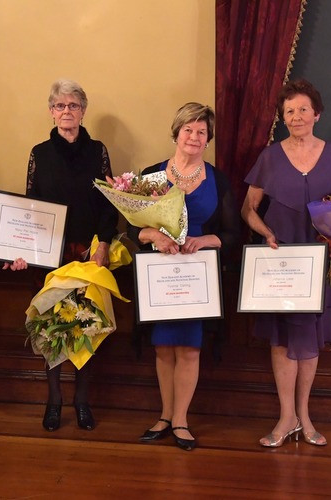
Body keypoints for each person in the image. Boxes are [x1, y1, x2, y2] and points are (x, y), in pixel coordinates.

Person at [241, 79, 331, 447]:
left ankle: (305, 416)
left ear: (317, 114)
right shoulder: (269, 156)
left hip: (320, 265)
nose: (296, 116)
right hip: (281, 264)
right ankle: (285, 418)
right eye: (289, 111)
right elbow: (248, 208)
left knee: (308, 343)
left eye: (303, 109)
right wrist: (266, 232)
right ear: (282, 117)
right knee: (281, 342)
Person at [127, 102, 239, 450]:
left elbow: (234, 235)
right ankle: (163, 415)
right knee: (163, 348)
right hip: (159, 277)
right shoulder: (151, 176)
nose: (194, 136)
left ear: (208, 139)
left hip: (198, 278)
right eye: (188, 129)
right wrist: (153, 236)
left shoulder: (218, 180)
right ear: (176, 133)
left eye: (201, 131)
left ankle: (180, 421)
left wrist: (205, 240)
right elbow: (132, 229)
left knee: (190, 349)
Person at [25, 79, 118, 432]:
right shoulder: (39, 153)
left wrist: (105, 245)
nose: (67, 111)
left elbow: (110, 202)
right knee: (51, 328)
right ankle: (54, 401)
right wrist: (24, 250)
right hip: (49, 254)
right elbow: (30, 205)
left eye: (73, 106)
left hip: (88, 255)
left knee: (85, 327)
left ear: (83, 111)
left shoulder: (98, 151)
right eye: (60, 106)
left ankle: (82, 401)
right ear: (51, 112)